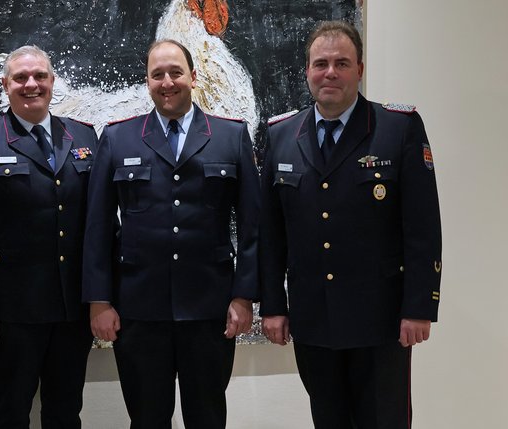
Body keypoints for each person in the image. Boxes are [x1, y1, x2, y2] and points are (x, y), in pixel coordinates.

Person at [259, 20, 442, 428]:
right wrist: (272, 305)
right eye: (320, 64)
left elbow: (422, 228)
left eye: (341, 63)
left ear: (359, 69)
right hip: (313, 318)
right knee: (328, 420)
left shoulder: (398, 128)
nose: (330, 73)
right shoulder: (281, 134)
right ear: (307, 71)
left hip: (380, 319)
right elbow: (271, 234)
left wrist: (419, 307)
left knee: (383, 420)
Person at [82, 39, 260, 428]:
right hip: (139, 311)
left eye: (175, 72)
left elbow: (253, 227)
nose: (167, 82)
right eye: (157, 74)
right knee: (147, 419)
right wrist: (99, 300)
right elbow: (97, 226)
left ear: (193, 77)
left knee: (207, 418)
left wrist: (244, 296)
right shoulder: (118, 138)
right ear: (147, 81)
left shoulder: (230, 136)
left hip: (209, 310)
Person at [0, 45, 98, 428]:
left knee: (66, 413)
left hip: (71, 310)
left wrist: (102, 297)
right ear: (5, 84)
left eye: (40, 76)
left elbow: (96, 226)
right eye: (21, 78)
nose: (31, 84)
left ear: (52, 81)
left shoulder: (82, 135)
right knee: (10, 414)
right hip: (13, 312)